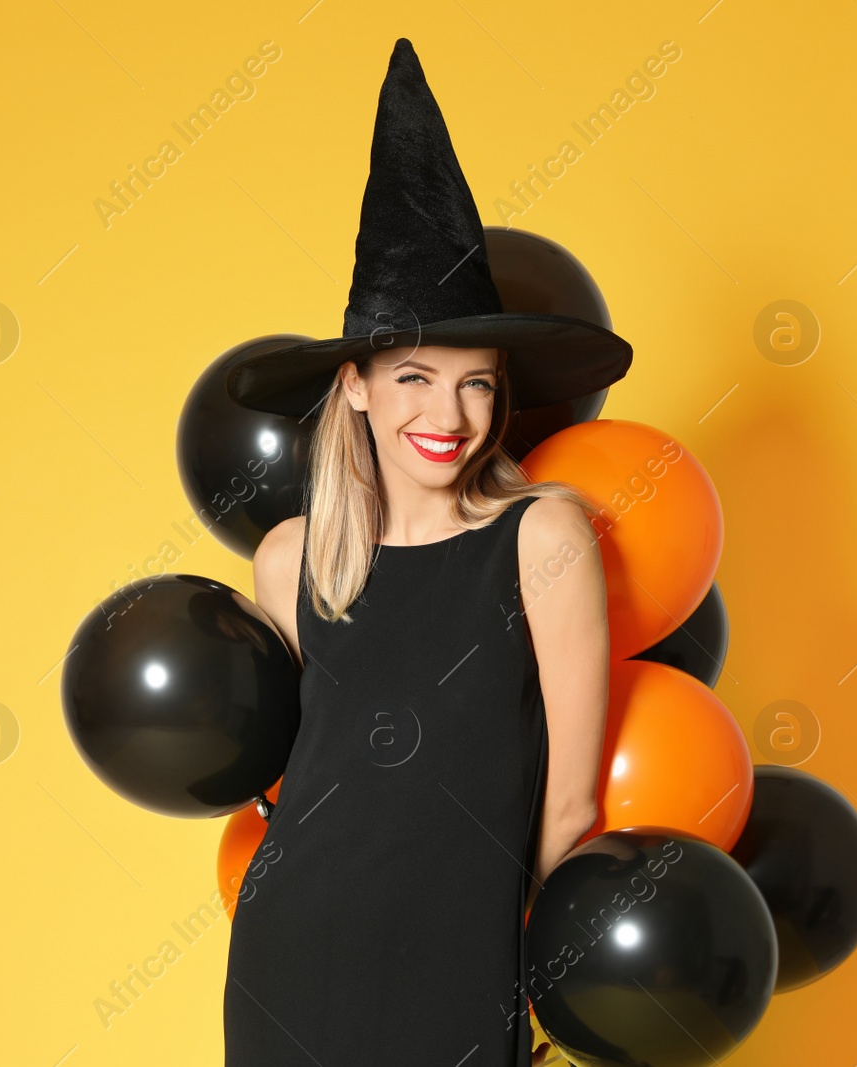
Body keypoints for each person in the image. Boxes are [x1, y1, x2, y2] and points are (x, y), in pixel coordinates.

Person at [220, 38, 631, 1067]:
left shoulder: (543, 536)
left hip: (462, 970)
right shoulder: (290, 562)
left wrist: (525, 982)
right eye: (412, 376)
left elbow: (572, 803)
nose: (447, 412)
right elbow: (295, 785)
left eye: (477, 381)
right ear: (354, 383)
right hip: (290, 962)